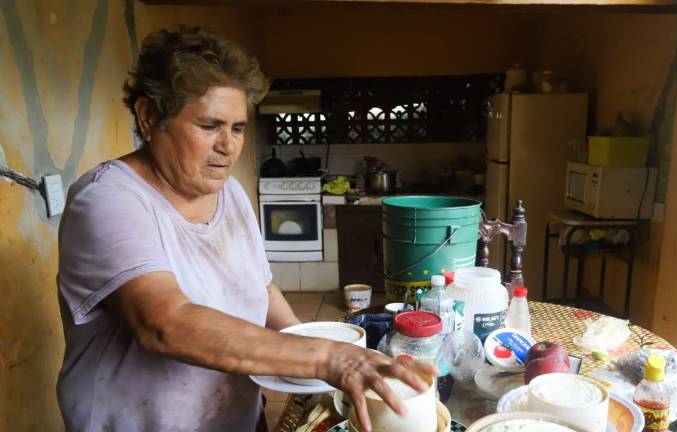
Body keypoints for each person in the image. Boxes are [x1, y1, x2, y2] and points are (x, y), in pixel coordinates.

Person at [56, 27, 434, 432]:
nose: (228, 146)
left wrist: (309, 366)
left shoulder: (229, 192)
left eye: (237, 128)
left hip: (235, 417)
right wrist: (327, 358)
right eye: (208, 126)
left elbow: (259, 286)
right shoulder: (108, 199)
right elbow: (164, 322)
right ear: (149, 117)